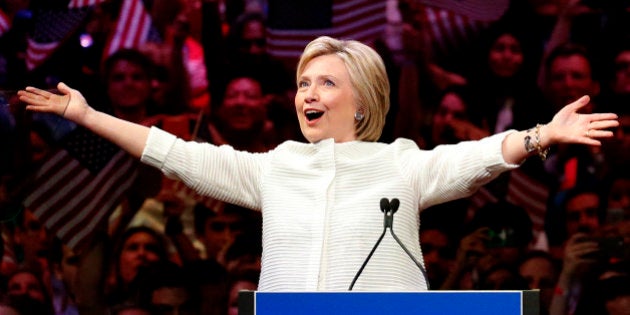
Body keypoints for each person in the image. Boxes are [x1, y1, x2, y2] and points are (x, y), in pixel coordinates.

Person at [18, 35, 618, 292]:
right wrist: (88, 114)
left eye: (326, 82)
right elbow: (176, 153)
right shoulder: (275, 167)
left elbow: (478, 158)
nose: (308, 92)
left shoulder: (400, 164)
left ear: (361, 101)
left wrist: (542, 134)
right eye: (303, 81)